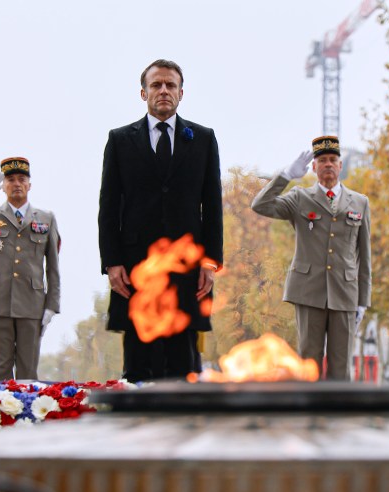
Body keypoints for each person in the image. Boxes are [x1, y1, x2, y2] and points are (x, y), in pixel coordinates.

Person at [97, 59, 223, 382]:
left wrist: (210, 263)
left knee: (184, 368)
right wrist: (112, 263)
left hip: (187, 272)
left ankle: (183, 429)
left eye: (170, 85)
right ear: (143, 93)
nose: (163, 91)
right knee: (138, 367)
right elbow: (108, 207)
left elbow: (211, 207)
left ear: (182, 93)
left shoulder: (204, 139)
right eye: (156, 85)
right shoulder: (120, 140)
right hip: (136, 270)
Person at [250, 136, 372, 379]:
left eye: (333, 160)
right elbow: (260, 205)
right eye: (322, 160)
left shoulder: (360, 202)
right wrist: (286, 175)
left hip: (345, 293)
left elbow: (364, 256)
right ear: (314, 167)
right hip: (308, 291)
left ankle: (337, 416)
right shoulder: (299, 198)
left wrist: (363, 300)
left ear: (340, 166)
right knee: (308, 364)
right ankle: (309, 417)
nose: (328, 164)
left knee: (341, 367)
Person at [0, 158, 60, 381]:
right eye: (10, 179)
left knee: (28, 372)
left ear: (29, 185)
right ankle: (0, 416)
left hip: (31, 303)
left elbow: (52, 267)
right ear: (3, 185)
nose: (16, 184)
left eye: (22, 179)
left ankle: (27, 417)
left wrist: (52, 305)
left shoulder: (45, 218)